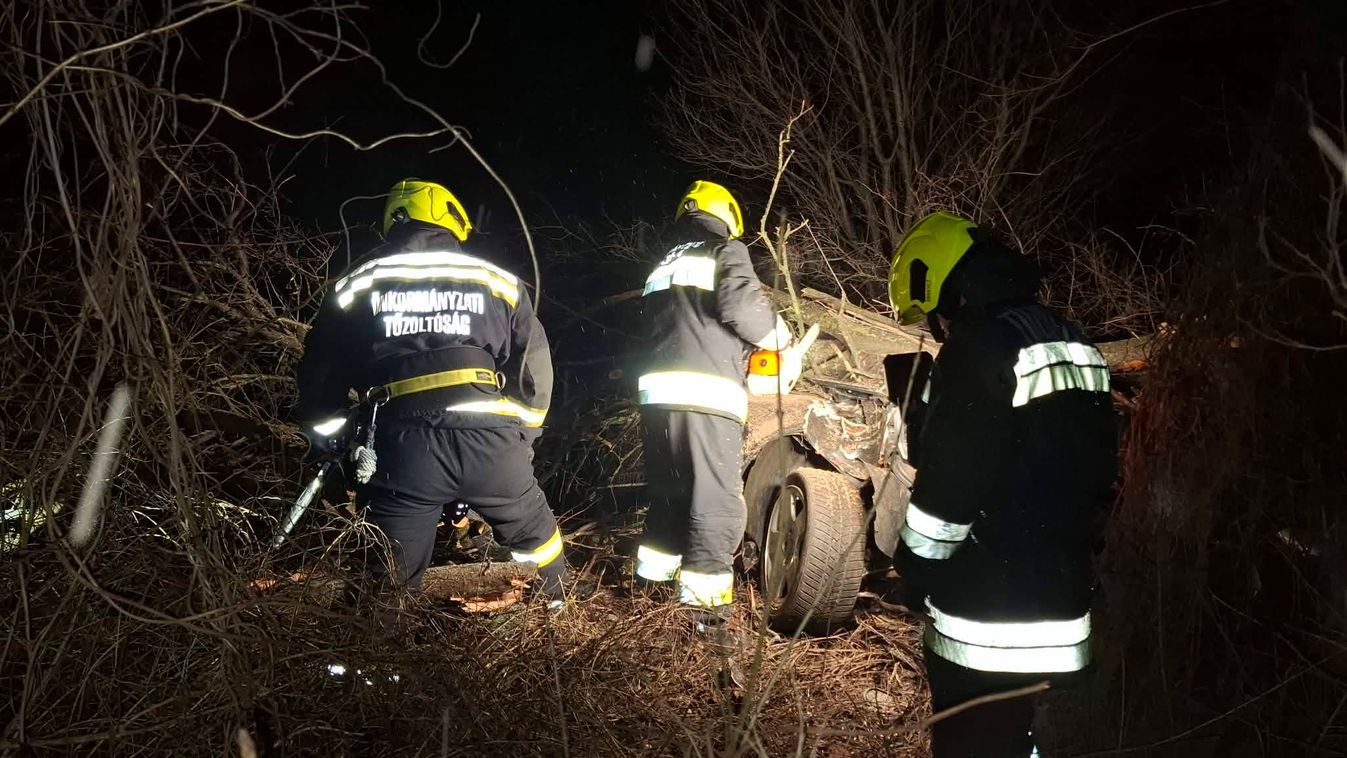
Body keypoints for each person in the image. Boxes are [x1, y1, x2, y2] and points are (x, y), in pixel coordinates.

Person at [888, 212, 1117, 756]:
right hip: (1064, 608)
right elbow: (1098, 473)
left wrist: (914, 570)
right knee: (1032, 740)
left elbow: (947, 496)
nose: (939, 330)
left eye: (934, 318)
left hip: (986, 620)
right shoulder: (1073, 340)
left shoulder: (977, 348)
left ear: (942, 289)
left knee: (976, 742)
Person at [295, 178, 567, 604]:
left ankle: (377, 643)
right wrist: (522, 437)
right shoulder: (497, 280)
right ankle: (558, 613)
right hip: (491, 442)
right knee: (538, 540)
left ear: (395, 221)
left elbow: (321, 372)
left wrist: (329, 440)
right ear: (451, 220)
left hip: (402, 447)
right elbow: (533, 369)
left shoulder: (357, 284)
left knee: (386, 581)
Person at [634, 180, 793, 636]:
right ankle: (705, 620)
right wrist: (780, 339)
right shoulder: (725, 249)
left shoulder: (663, 263)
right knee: (715, 503)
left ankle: (648, 601)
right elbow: (743, 309)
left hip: (656, 399)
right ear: (727, 215)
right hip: (705, 395)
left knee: (669, 496)